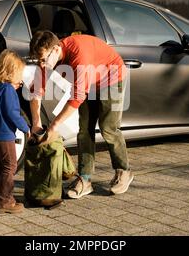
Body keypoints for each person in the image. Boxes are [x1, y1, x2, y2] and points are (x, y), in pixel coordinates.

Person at [29, 30, 133, 199]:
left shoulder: (78, 55)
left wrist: (54, 125)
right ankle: (85, 179)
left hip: (113, 77)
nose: (41, 64)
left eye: (43, 59)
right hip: (89, 82)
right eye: (38, 60)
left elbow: (77, 97)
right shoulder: (48, 58)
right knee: (84, 130)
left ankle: (124, 170)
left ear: (55, 50)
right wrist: (36, 122)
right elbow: (35, 91)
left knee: (108, 128)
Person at [0, 49, 30, 213]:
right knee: (10, 166)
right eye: (20, 73)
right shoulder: (7, 90)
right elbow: (12, 113)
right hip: (4, 133)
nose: (21, 78)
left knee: (0, 165)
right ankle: (5, 201)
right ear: (11, 72)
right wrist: (26, 128)